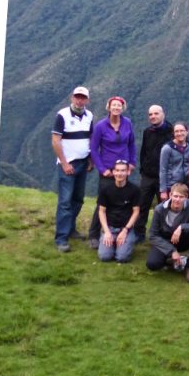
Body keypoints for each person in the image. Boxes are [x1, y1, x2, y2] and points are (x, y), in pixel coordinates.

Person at [87, 96, 136, 248]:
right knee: (102, 203)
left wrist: (132, 163)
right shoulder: (101, 126)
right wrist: (102, 169)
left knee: (124, 200)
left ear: (122, 108)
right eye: (113, 105)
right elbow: (94, 149)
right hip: (108, 170)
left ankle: (123, 231)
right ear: (108, 107)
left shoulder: (127, 123)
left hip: (123, 169)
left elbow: (132, 143)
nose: (116, 108)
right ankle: (94, 235)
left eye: (119, 106)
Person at [51, 85, 94, 252]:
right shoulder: (62, 115)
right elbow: (55, 140)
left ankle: (70, 228)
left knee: (78, 198)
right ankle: (61, 238)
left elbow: (90, 138)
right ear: (72, 98)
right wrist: (64, 163)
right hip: (67, 164)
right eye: (77, 97)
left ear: (87, 100)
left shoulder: (89, 116)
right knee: (65, 201)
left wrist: (90, 159)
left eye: (83, 97)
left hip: (83, 163)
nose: (80, 100)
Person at [145, 182, 189, 282]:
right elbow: (152, 235)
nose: (177, 199)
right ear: (170, 195)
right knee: (152, 264)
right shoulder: (159, 209)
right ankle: (172, 259)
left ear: (186, 197)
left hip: (183, 238)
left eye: (181, 197)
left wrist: (182, 227)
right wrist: (172, 251)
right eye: (175, 196)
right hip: (165, 240)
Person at [134, 104, 174, 240]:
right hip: (147, 175)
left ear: (163, 114)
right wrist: (142, 169)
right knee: (142, 204)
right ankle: (139, 234)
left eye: (156, 114)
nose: (153, 117)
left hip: (164, 178)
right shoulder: (147, 132)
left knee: (165, 207)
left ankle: (164, 234)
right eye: (150, 114)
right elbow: (143, 152)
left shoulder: (172, 132)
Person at [96, 159, 141, 263]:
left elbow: (136, 211)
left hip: (126, 228)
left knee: (122, 258)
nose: (119, 173)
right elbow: (101, 211)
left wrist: (125, 230)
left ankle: (125, 242)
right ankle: (109, 240)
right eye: (117, 170)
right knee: (105, 257)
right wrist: (106, 231)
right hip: (110, 227)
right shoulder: (106, 190)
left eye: (123, 171)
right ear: (113, 172)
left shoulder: (134, 190)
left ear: (128, 172)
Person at [158, 122, 189, 200]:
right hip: (172, 186)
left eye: (182, 131)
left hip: (187, 185)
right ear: (173, 133)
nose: (179, 133)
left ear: (187, 131)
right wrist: (163, 190)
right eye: (176, 131)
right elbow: (163, 170)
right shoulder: (167, 148)